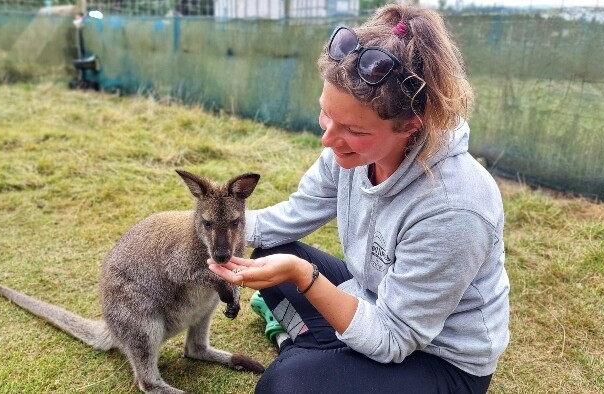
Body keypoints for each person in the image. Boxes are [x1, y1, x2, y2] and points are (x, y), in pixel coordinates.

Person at [208, 3, 509, 393]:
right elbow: (293, 214)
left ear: (411, 125)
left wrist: (305, 277)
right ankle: (314, 352)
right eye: (325, 115)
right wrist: (201, 231)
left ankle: (308, 353)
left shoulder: (454, 209)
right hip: (370, 296)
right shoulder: (347, 153)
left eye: (353, 129)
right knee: (261, 251)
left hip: (436, 359)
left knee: (282, 385)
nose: (328, 139)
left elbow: (393, 339)